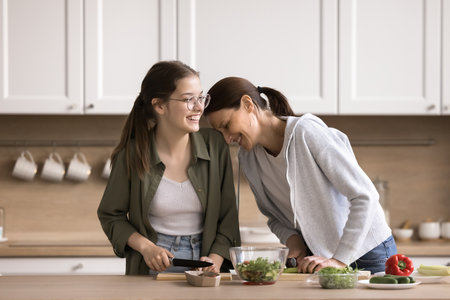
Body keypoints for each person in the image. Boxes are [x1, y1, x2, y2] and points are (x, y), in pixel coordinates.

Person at [203, 77, 396, 274]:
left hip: (368, 251)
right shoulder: (249, 157)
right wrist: (294, 242)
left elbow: (365, 196)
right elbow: (274, 217)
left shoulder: (306, 132)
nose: (227, 139)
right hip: (320, 257)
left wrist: (339, 260)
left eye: (226, 125)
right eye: (220, 132)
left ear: (247, 104)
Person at [97, 61, 240, 275]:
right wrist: (146, 248)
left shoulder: (216, 146)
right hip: (153, 265)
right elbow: (111, 215)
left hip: (205, 263)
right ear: (160, 106)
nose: (199, 107)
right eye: (188, 99)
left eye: (200, 98)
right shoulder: (132, 153)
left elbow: (228, 218)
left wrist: (216, 259)